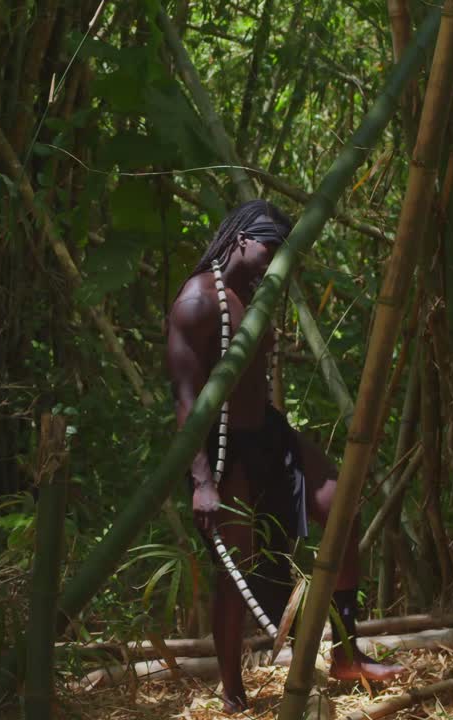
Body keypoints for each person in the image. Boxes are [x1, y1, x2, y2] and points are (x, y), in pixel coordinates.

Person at [166, 199, 405, 713]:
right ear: (240, 241)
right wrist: (203, 482)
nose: (277, 263)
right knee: (236, 570)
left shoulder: (255, 293)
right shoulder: (196, 301)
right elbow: (186, 401)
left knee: (341, 505)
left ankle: (346, 655)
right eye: (271, 249)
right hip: (223, 447)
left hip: (271, 436)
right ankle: (232, 694)